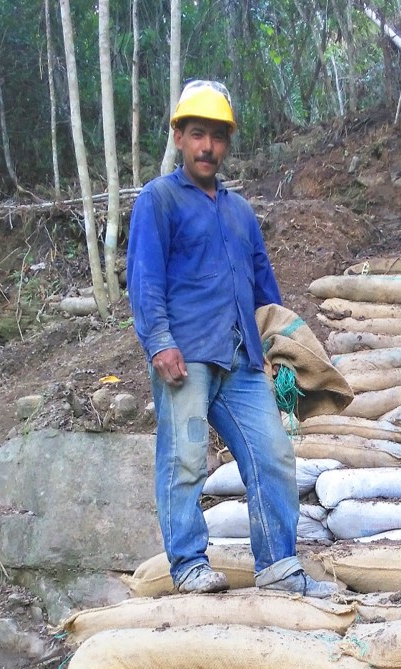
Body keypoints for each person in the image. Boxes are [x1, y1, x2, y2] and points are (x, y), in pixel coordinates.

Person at [126, 80, 337, 598]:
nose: (207, 148)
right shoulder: (160, 200)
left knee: (273, 454)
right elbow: (144, 278)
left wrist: (278, 347)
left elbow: (265, 288)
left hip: (243, 360)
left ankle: (278, 565)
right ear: (179, 136)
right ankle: (189, 564)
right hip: (187, 357)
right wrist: (158, 342)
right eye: (198, 135)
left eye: (217, 138)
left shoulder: (240, 211)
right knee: (186, 459)